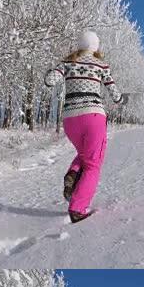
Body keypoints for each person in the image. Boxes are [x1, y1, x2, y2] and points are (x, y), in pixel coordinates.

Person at [44, 30, 126, 223]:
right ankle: (78, 208)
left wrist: (58, 69)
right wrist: (121, 100)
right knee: (93, 164)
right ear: (95, 46)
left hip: (70, 119)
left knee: (84, 155)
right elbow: (115, 93)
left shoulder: (67, 62)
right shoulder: (101, 65)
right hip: (93, 116)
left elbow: (49, 81)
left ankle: (73, 174)